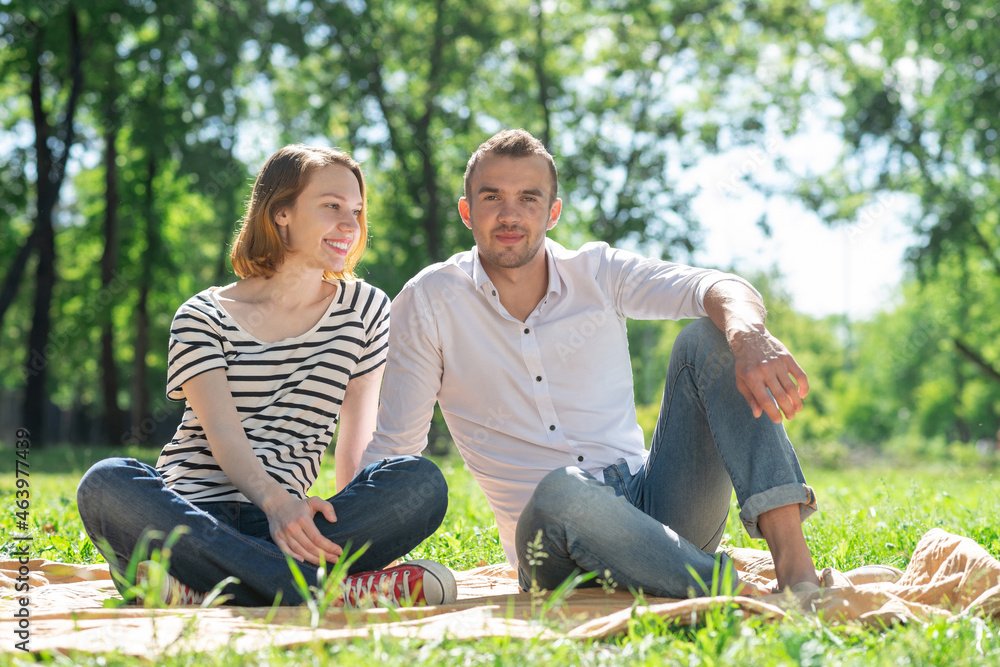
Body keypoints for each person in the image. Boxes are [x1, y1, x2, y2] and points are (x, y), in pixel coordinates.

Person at [359, 129, 820, 598]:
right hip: (552, 543)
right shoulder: (429, 300)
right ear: (467, 211)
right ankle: (720, 585)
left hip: (659, 513)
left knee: (711, 334)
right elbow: (396, 448)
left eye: (529, 198)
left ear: (553, 212)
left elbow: (715, 286)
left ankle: (796, 574)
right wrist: (360, 558)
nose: (510, 214)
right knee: (562, 490)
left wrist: (748, 333)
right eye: (492, 196)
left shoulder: (597, 271)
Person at [77, 144, 455, 607]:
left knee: (421, 481)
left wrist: (350, 519)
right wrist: (275, 503)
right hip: (190, 515)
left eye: (356, 211)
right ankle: (324, 591)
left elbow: (356, 444)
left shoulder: (366, 308)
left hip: (294, 527)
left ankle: (207, 587)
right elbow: (224, 436)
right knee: (107, 482)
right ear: (281, 213)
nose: (350, 226)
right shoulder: (203, 315)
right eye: (332, 207)